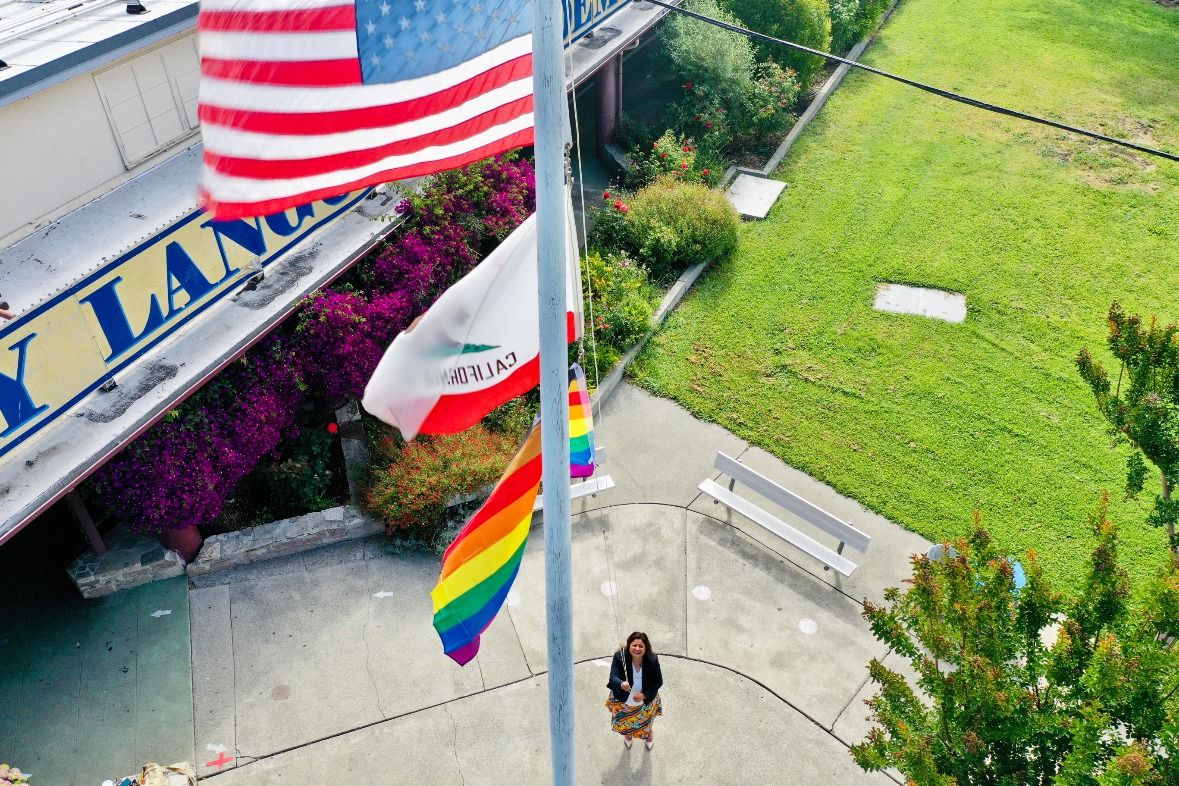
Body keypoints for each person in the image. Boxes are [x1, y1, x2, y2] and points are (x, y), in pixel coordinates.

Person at [606, 631, 663, 750]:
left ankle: (649, 735)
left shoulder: (652, 659)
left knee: (647, 722)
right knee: (626, 723)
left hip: (645, 701)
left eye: (641, 646)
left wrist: (644, 695)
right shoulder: (619, 656)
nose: (637, 648)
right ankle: (628, 735)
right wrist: (621, 683)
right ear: (629, 645)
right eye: (634, 645)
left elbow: (658, 681)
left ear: (646, 647)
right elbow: (613, 677)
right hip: (624, 701)